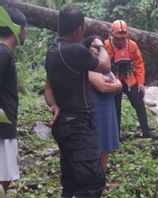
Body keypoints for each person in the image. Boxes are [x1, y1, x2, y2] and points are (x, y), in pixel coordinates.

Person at [43, 5, 111, 198]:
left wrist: (53, 104)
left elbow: (48, 87)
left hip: (64, 125)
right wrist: (101, 45)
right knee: (92, 183)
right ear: (79, 30)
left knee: (71, 181)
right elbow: (105, 65)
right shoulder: (75, 50)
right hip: (78, 127)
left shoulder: (53, 50)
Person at [104, 20, 158, 140]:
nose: (120, 41)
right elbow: (102, 66)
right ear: (112, 35)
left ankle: (146, 131)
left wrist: (140, 83)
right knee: (115, 107)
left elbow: (139, 64)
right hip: (114, 80)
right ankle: (115, 135)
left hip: (130, 79)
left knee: (139, 102)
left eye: (122, 39)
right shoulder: (106, 45)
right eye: (118, 39)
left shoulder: (132, 45)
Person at [83, 35, 122, 172]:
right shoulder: (86, 67)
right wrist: (114, 85)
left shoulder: (105, 68)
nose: (97, 50)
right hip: (95, 110)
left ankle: (102, 176)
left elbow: (118, 83)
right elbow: (104, 86)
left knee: (105, 146)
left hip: (107, 110)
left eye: (99, 47)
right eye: (94, 47)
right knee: (95, 145)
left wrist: (114, 84)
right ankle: (93, 175)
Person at [0, 5, 27, 195]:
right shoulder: (3, 54)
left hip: (6, 123)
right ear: (17, 28)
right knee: (4, 175)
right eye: (26, 28)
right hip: (2, 127)